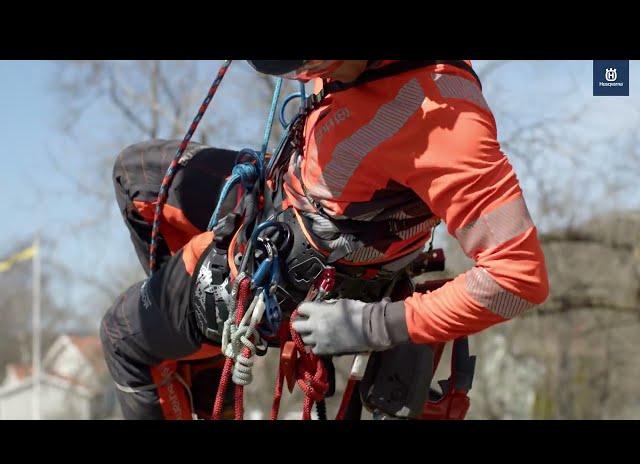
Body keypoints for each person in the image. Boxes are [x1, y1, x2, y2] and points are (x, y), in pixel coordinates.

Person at [100, 60, 549, 420]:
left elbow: (518, 278)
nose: (307, 78)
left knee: (122, 336)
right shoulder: (356, 73)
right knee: (134, 175)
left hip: (290, 273)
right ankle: (197, 361)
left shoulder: (447, 126)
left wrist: (374, 325)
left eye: (311, 66)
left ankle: (191, 336)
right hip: (287, 194)